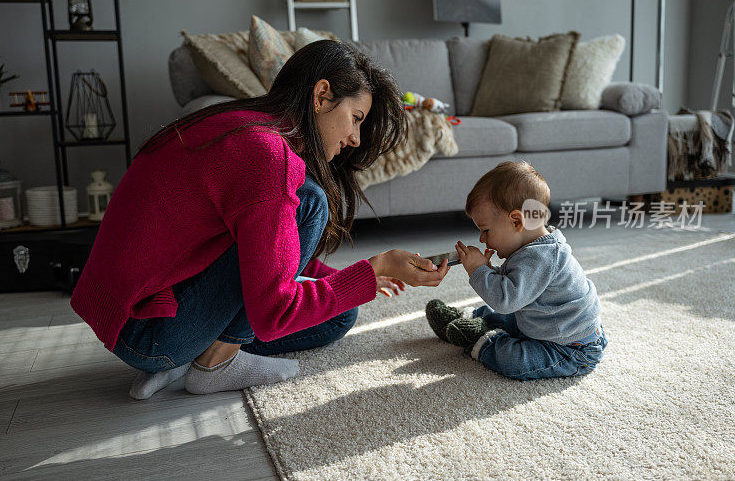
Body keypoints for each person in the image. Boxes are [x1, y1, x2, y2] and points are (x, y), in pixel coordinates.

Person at [70, 39, 451, 400]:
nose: (354, 138)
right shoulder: (269, 156)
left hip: (130, 316)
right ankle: (214, 364)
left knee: (341, 313)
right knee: (311, 203)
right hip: (149, 332)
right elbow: (273, 315)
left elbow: (256, 243)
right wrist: (378, 264)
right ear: (321, 97)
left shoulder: (239, 123)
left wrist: (344, 279)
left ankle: (188, 356)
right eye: (355, 118)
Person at [425, 161, 607, 380]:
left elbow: (505, 300)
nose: (482, 239)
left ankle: (480, 339)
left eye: (485, 230)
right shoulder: (533, 247)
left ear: (516, 221)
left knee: (515, 361)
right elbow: (515, 283)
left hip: (569, 348)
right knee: (511, 318)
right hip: (539, 323)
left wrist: (478, 270)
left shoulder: (543, 256)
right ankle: (468, 316)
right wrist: (492, 271)